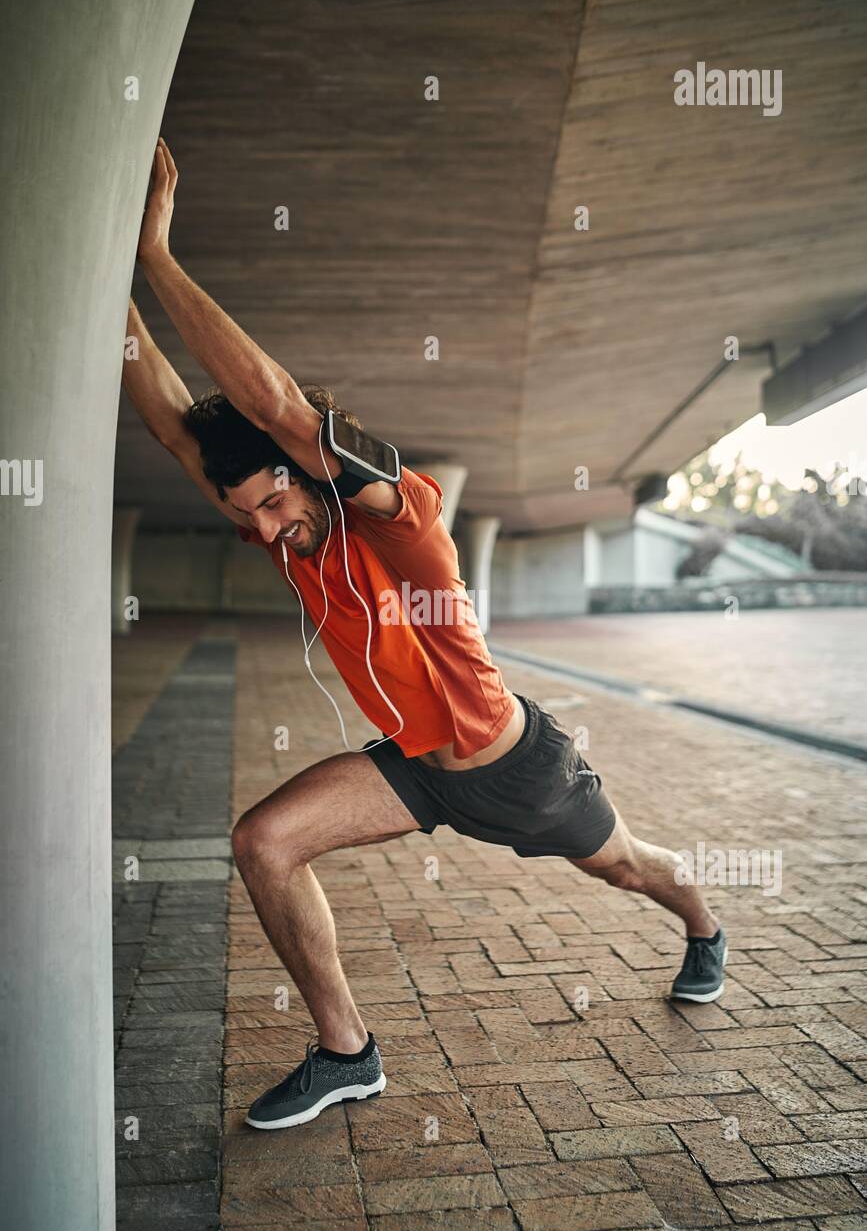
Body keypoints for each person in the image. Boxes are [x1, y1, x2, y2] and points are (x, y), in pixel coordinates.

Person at [121, 138, 727, 1129]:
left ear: (309, 470)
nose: (264, 529)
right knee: (263, 842)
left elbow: (279, 405)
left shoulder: (407, 524)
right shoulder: (287, 532)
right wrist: (110, 285)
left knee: (625, 865)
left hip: (517, 766)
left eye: (273, 500)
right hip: (412, 767)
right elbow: (174, 427)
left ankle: (704, 924)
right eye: (248, 516)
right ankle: (346, 1050)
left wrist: (155, 256)